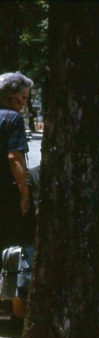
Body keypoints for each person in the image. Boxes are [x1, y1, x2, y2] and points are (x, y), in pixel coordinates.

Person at [0, 72, 34, 250]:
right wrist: (25, 195)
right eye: (23, 97)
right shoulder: (13, 118)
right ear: (10, 96)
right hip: (6, 193)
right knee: (12, 243)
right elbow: (15, 159)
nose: (25, 103)